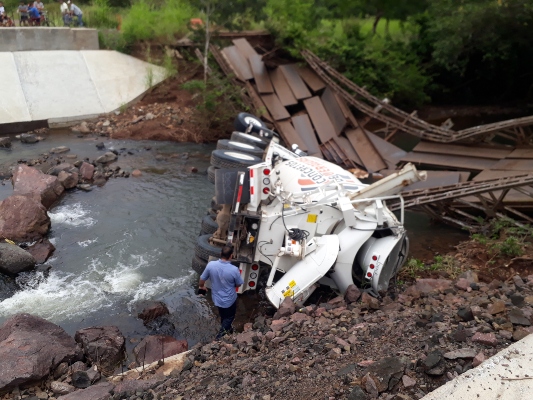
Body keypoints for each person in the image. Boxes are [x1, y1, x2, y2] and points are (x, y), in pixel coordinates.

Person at [198, 245, 244, 340]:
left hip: (217, 299)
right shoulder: (234, 270)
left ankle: (228, 329)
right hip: (229, 300)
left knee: (223, 316)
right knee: (229, 317)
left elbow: (202, 279)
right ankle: (219, 337)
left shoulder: (211, 265)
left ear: (220, 254)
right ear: (231, 256)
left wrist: (202, 286)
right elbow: (239, 284)